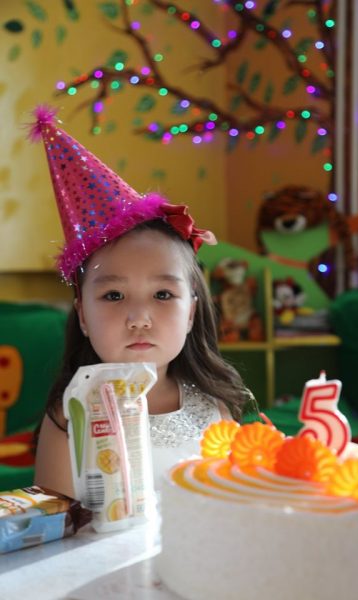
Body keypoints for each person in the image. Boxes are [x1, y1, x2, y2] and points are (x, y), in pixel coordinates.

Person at [31, 105, 253, 496]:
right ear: (83, 316)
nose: (138, 318)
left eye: (163, 294)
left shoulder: (214, 408)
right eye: (113, 295)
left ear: (191, 313)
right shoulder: (70, 417)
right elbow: (55, 523)